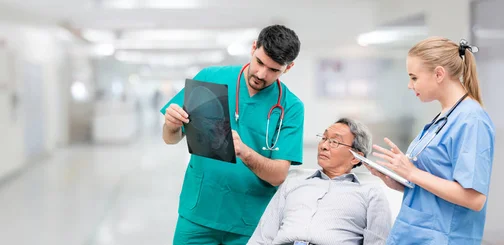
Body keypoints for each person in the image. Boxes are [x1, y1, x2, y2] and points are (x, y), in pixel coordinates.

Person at [160, 25, 304, 244]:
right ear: (254, 48)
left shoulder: (291, 107)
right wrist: (171, 125)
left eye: (274, 70)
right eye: (260, 62)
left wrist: (245, 153)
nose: (261, 74)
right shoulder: (210, 78)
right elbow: (170, 138)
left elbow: (278, 175)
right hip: (199, 212)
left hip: (250, 222)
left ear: (289, 67)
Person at [368, 37, 495, 245]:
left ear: (438, 74)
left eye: (414, 77)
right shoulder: (444, 117)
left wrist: (412, 173)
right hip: (414, 233)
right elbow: (433, 184)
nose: (410, 86)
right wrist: (400, 179)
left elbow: (474, 198)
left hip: (444, 237)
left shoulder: (472, 120)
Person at [248, 118, 392, 245]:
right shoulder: (293, 182)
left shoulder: (371, 194)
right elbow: (263, 237)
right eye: (323, 138)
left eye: (334, 142)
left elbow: (378, 242)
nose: (323, 145)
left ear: (356, 157)